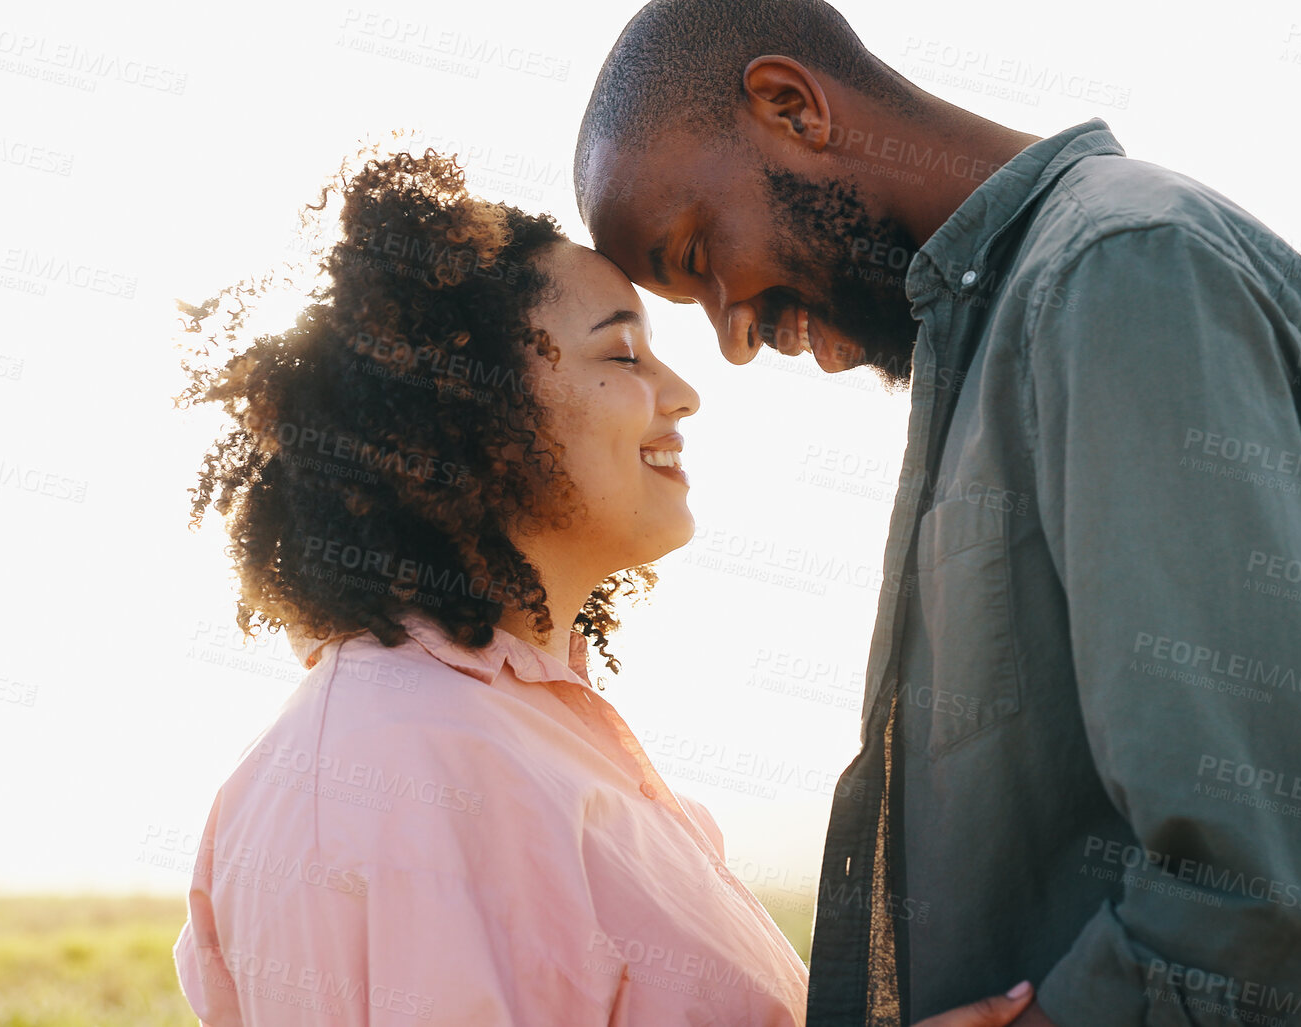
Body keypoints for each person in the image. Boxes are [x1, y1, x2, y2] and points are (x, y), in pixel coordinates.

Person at [572, 2, 1301, 1025]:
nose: (732, 339)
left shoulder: (1120, 274)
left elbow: (1268, 895)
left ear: (791, 105)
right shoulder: (1015, 326)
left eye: (700, 255)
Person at [170, 150, 1034, 1026]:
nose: (685, 393)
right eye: (622, 353)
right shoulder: (395, 763)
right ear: (470, 409)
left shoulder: (515, 724)